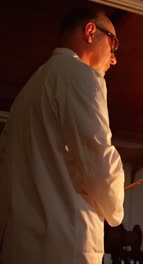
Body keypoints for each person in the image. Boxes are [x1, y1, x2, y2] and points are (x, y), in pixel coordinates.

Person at [0, 6, 125, 264]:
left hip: (19, 249)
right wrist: (116, 209)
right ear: (90, 31)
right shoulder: (81, 76)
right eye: (113, 44)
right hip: (65, 248)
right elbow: (99, 163)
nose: (113, 59)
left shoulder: (27, 93)